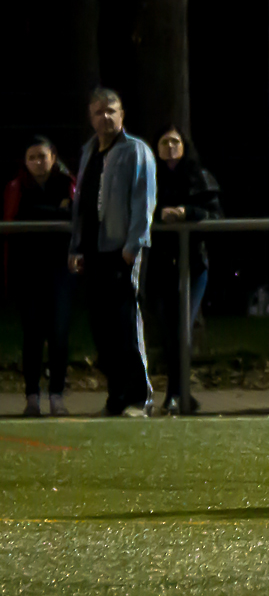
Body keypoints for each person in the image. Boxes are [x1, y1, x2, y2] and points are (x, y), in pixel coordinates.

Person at [68, 87, 157, 417]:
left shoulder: (136, 151)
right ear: (90, 117)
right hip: (93, 251)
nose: (105, 117)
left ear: (122, 115)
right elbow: (82, 205)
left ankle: (139, 396)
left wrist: (134, 244)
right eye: (98, 112)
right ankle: (116, 394)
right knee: (101, 328)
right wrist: (76, 247)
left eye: (111, 111)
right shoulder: (89, 151)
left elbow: (143, 200)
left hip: (120, 251)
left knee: (126, 324)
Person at [148, 125, 223, 415]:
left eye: (175, 141)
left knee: (182, 328)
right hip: (159, 264)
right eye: (164, 141)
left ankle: (178, 394)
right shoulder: (149, 178)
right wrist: (159, 215)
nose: (169, 146)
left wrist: (186, 213)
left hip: (192, 263)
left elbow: (215, 215)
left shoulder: (199, 176)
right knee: (168, 330)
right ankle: (178, 395)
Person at [3, 136, 75, 416]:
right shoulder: (16, 187)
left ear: (53, 157)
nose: (37, 162)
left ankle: (57, 395)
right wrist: (55, 212)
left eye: (42, 156)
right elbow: (18, 218)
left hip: (61, 269)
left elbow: (73, 220)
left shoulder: (67, 183)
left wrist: (55, 215)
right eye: (31, 157)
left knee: (59, 333)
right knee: (32, 334)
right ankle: (31, 396)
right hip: (28, 270)